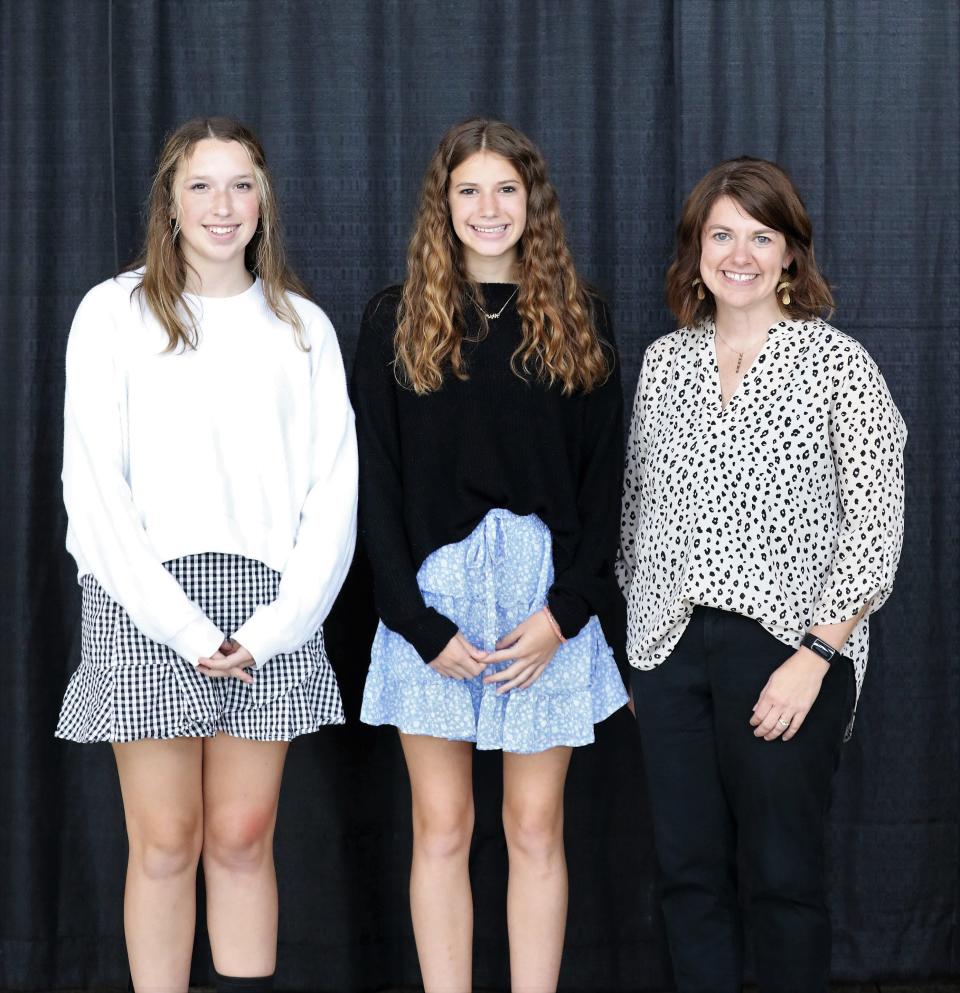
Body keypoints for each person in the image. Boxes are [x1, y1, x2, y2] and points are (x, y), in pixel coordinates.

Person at [55, 117, 357, 993]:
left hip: (267, 610)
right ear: (171, 201)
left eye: (240, 185)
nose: (221, 206)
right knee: (164, 839)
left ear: (263, 201)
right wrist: (183, 626)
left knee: (241, 833)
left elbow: (331, 495)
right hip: (143, 601)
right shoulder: (112, 312)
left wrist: (273, 628)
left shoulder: (302, 327)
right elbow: (95, 490)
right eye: (201, 185)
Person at [616, 156, 906, 992]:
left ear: (790, 253)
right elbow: (637, 510)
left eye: (761, 234)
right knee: (687, 875)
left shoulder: (837, 364)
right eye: (721, 234)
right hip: (671, 652)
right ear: (696, 250)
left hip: (789, 651)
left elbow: (876, 523)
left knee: (781, 880)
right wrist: (645, 650)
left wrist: (818, 653)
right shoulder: (667, 364)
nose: (739, 253)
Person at [352, 117, 627, 993]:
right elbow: (376, 487)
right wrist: (416, 623)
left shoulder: (582, 318)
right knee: (441, 825)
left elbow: (604, 488)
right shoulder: (395, 320)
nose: (488, 207)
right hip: (431, 604)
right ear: (444, 204)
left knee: (535, 825)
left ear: (532, 201)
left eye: (506, 189)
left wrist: (563, 616)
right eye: (468, 189)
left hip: (545, 606)